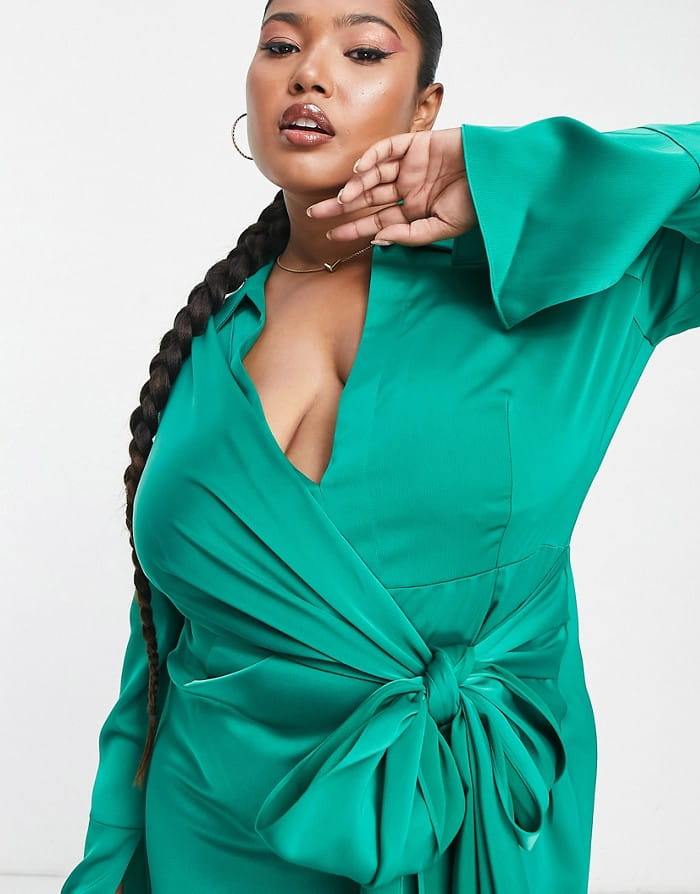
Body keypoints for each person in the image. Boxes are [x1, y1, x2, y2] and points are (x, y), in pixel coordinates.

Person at [61, 0, 700, 892]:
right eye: (281, 44)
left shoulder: (562, 286)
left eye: (362, 50)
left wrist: (512, 174)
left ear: (426, 107)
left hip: (467, 828)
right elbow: (158, 668)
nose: (308, 72)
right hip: (206, 843)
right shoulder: (200, 353)